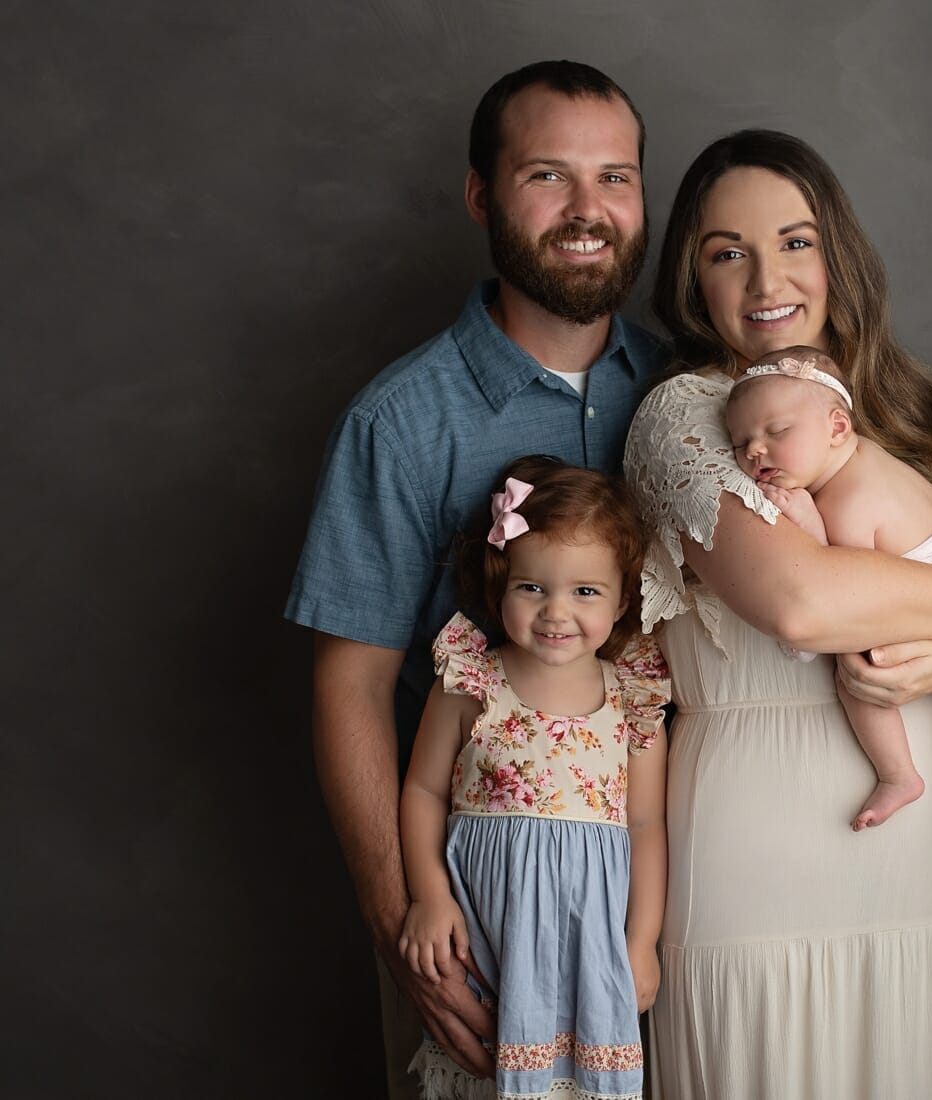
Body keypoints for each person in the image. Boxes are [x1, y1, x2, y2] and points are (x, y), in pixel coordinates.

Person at [284, 60, 666, 1094]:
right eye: (549, 175)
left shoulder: (688, 394)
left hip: (656, 914)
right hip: (472, 906)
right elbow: (350, 687)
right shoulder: (399, 421)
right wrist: (408, 918)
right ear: (481, 195)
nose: (589, 210)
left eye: (616, 177)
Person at [624, 129, 932, 1098]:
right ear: (690, 282)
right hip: (763, 865)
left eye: (795, 241)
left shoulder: (902, 415)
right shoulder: (687, 418)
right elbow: (803, 602)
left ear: (839, 255)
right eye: (725, 252)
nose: (764, 280)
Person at [399, 456, 668, 1100]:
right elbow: (423, 791)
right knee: (484, 1064)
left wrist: (643, 940)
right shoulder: (471, 680)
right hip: (491, 928)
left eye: (585, 591)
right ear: (501, 586)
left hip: (586, 940)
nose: (556, 612)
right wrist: (429, 896)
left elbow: (648, 825)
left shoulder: (633, 695)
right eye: (532, 588)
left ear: (622, 599)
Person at [724, 345, 932, 830]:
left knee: (856, 672)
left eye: (777, 432)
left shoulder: (851, 500)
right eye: (740, 441)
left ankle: (899, 774)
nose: (754, 450)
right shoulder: (865, 460)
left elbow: (845, 599)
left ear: (837, 427)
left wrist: (807, 523)